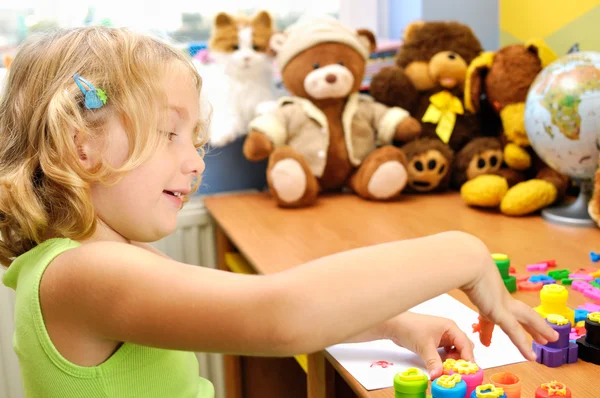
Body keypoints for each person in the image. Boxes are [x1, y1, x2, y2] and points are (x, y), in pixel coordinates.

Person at [0, 27, 557, 398]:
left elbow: (241, 306)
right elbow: (280, 314)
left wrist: (394, 323)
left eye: (194, 139)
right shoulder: (82, 275)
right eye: (169, 133)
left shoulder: (92, 260)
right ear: (81, 145)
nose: (194, 161)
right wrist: (462, 253)